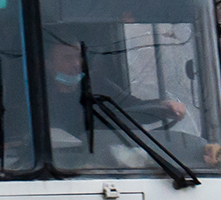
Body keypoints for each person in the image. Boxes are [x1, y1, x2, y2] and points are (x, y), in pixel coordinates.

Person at [46, 41, 185, 145]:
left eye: (79, 57)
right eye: (67, 58)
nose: (77, 64)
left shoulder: (96, 83)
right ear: (49, 64)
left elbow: (134, 107)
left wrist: (165, 106)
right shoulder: (37, 96)